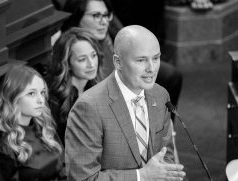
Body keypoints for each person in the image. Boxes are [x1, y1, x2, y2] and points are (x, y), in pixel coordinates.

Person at [65, 25, 186, 181]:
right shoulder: (88, 107)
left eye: (156, 58)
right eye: (141, 60)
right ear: (118, 62)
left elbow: (164, 153)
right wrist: (143, 176)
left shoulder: (160, 95)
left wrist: (164, 172)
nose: (151, 68)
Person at [55, 0, 183, 121]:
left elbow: (133, 43)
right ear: (77, 16)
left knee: (170, 76)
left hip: (126, 72)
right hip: (110, 92)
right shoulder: (68, 45)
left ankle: (165, 133)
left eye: (106, 15)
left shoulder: (110, 29)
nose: (104, 21)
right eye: (96, 15)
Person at [0, 65, 66, 181]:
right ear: (13, 97)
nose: (40, 100)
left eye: (42, 92)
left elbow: (65, 176)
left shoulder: (45, 130)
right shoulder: (3, 148)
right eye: (31, 93)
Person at [46, 27, 101, 145]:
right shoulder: (54, 100)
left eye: (93, 55)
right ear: (67, 64)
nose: (91, 64)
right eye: (82, 60)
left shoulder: (96, 88)